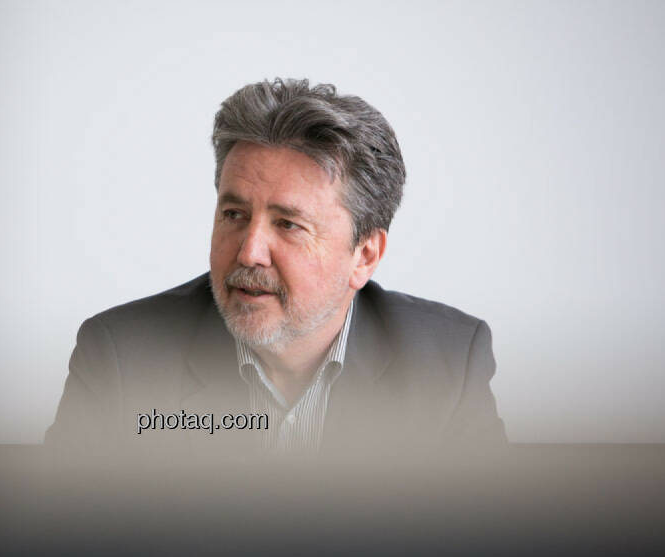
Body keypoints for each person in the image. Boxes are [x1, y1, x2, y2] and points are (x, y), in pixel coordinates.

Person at [45, 78, 505, 460]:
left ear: (364, 255)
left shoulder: (447, 366)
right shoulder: (122, 359)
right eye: (234, 215)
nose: (249, 252)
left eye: (288, 224)